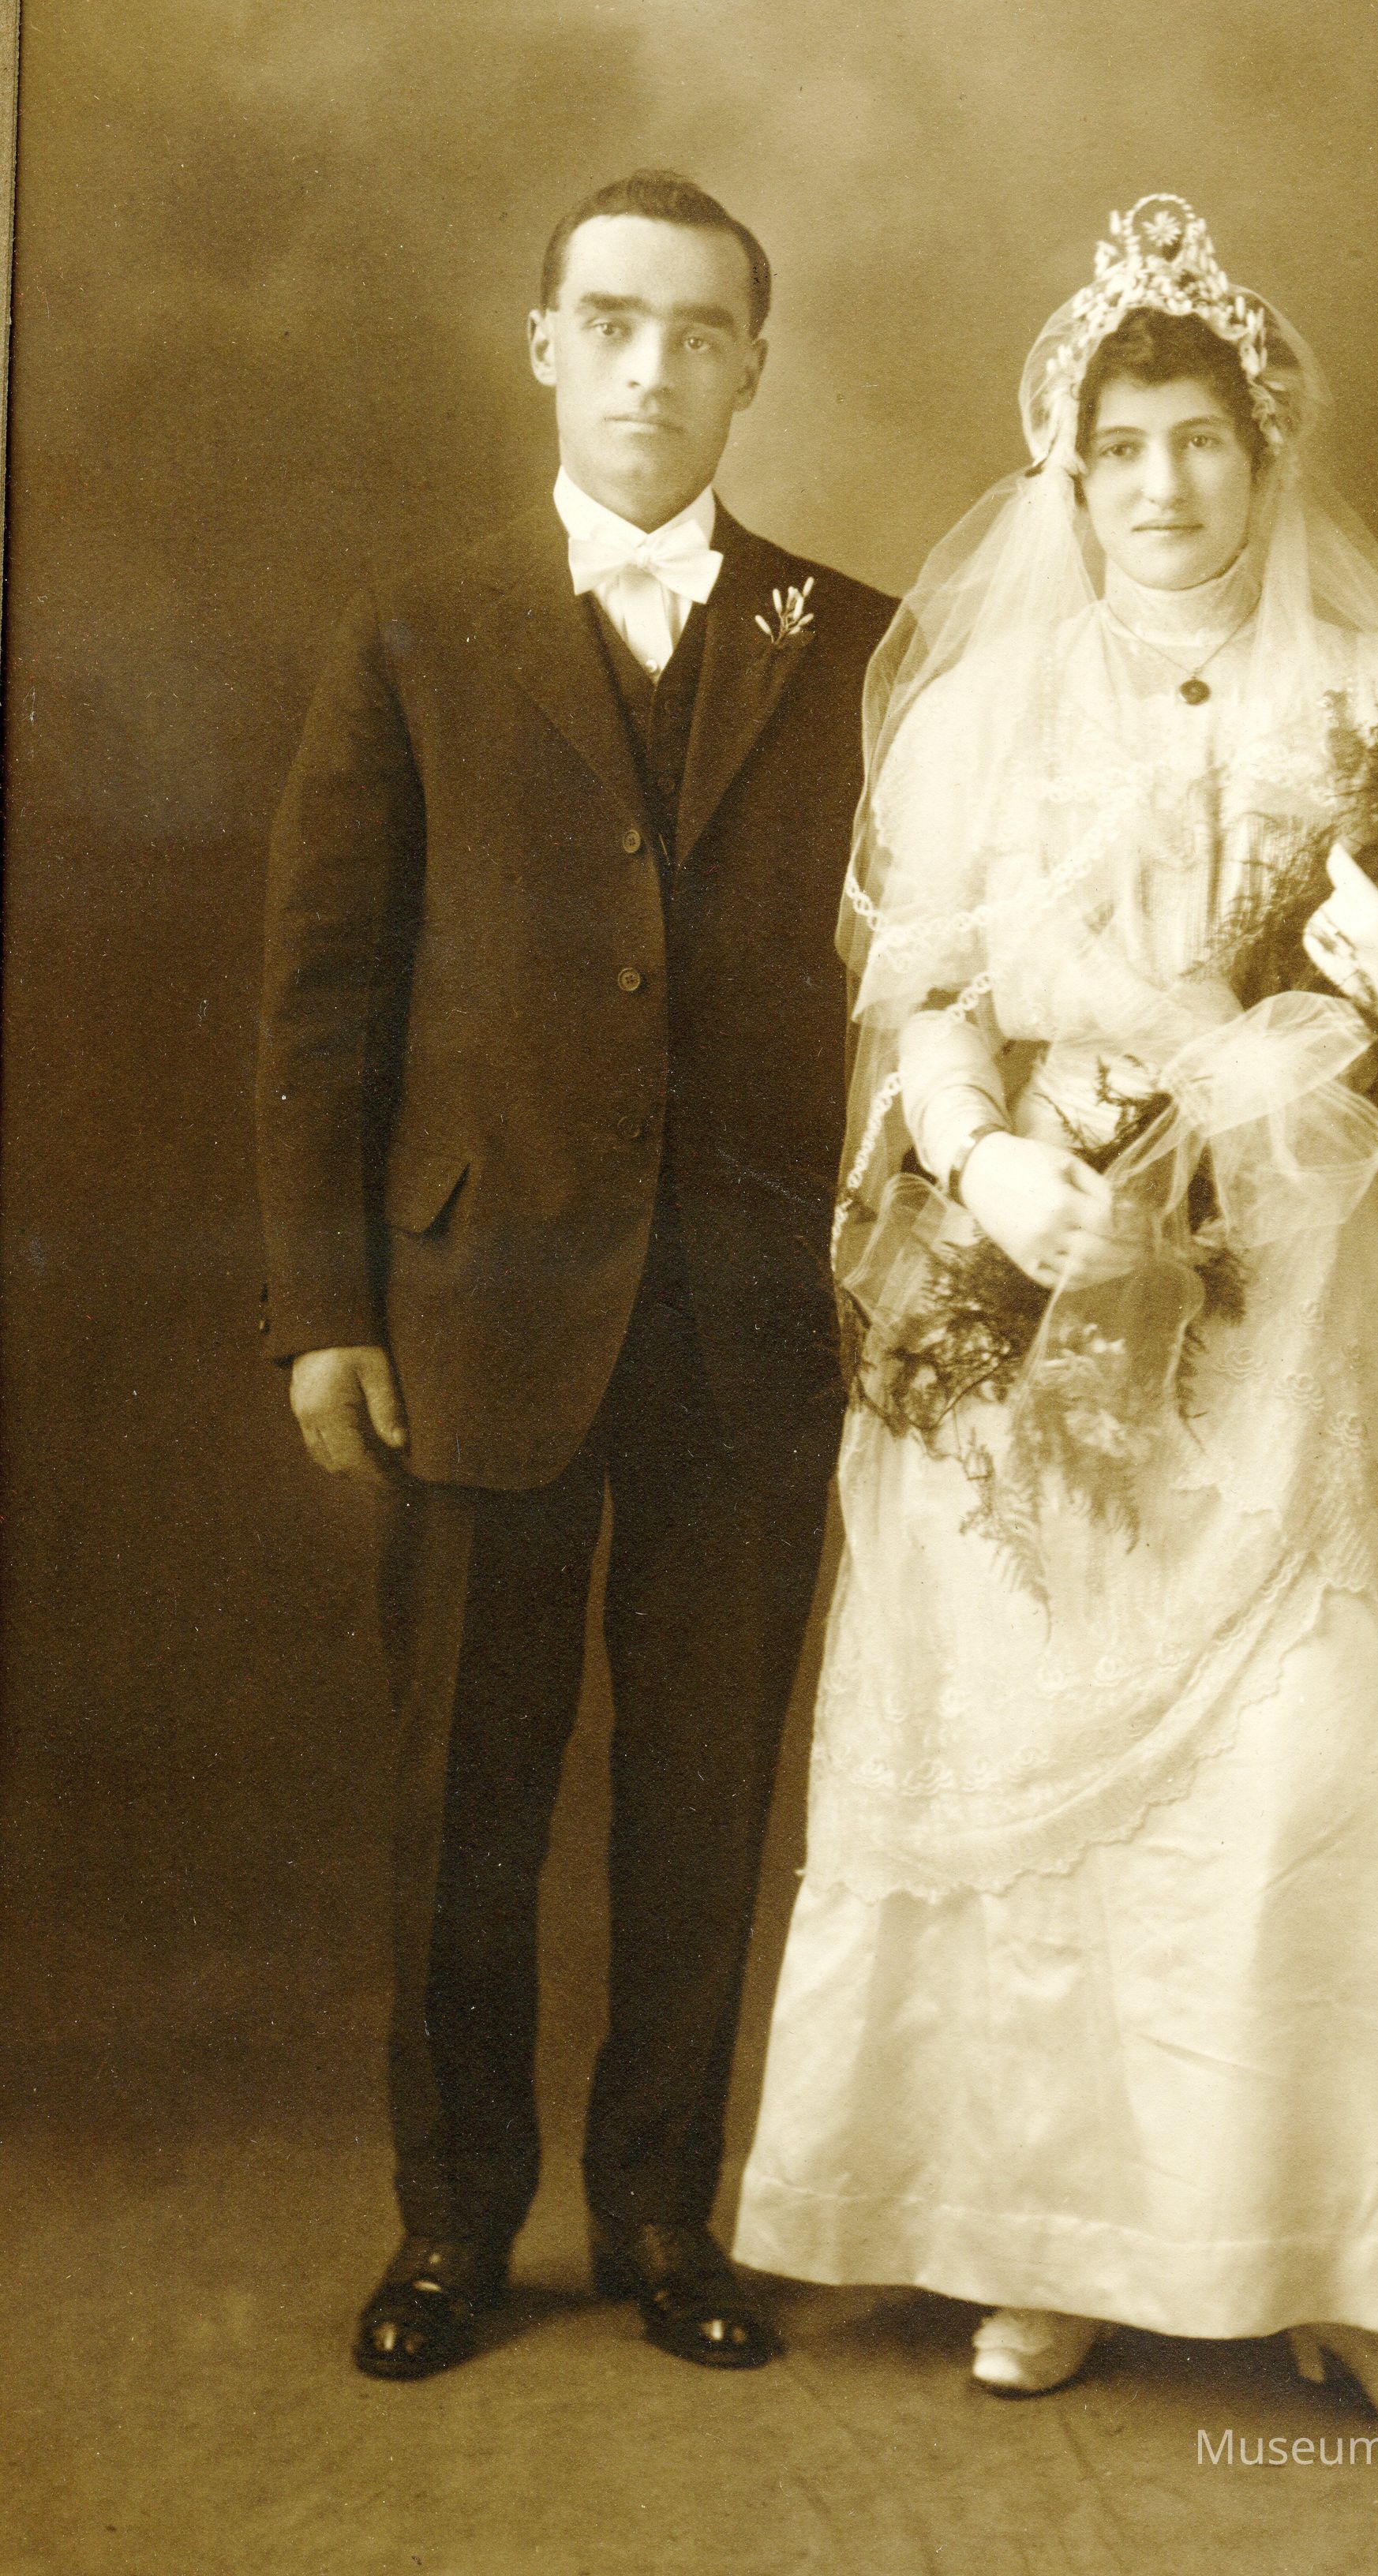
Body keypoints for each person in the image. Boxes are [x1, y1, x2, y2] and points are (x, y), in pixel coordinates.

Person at [733, 198, 1378, 2432]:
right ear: (1063, 473)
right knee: (1028, 1728)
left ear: (1265, 455)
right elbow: (927, 999)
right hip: (1050, 1266)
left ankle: (1366, 2267)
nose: (1162, 484)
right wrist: (983, 1159)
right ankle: (1043, 2244)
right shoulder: (979, 713)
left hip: (1287, 1295)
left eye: (1200, 441)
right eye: (1121, 448)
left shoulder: (1376, 707)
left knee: (1312, 1758)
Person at [257, 170, 893, 2379]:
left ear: (754, 367)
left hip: (746, 1320)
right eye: (610, 322)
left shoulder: (855, 640)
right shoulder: (417, 630)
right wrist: (328, 1309)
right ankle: (453, 2230)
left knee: (706, 1792)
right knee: (466, 1802)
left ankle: (659, 2214)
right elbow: (323, 991)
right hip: (473, 1313)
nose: (652, 368)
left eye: (700, 331)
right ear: (542, 345)